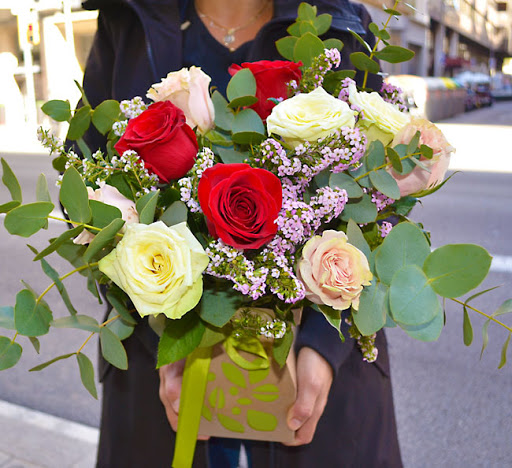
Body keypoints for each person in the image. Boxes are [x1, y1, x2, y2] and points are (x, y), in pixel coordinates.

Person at [79, 0, 403, 466]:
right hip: (160, 385)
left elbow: (380, 203)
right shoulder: (126, 19)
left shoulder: (343, 22)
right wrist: (163, 335)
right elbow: (94, 201)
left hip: (320, 391)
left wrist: (325, 344)